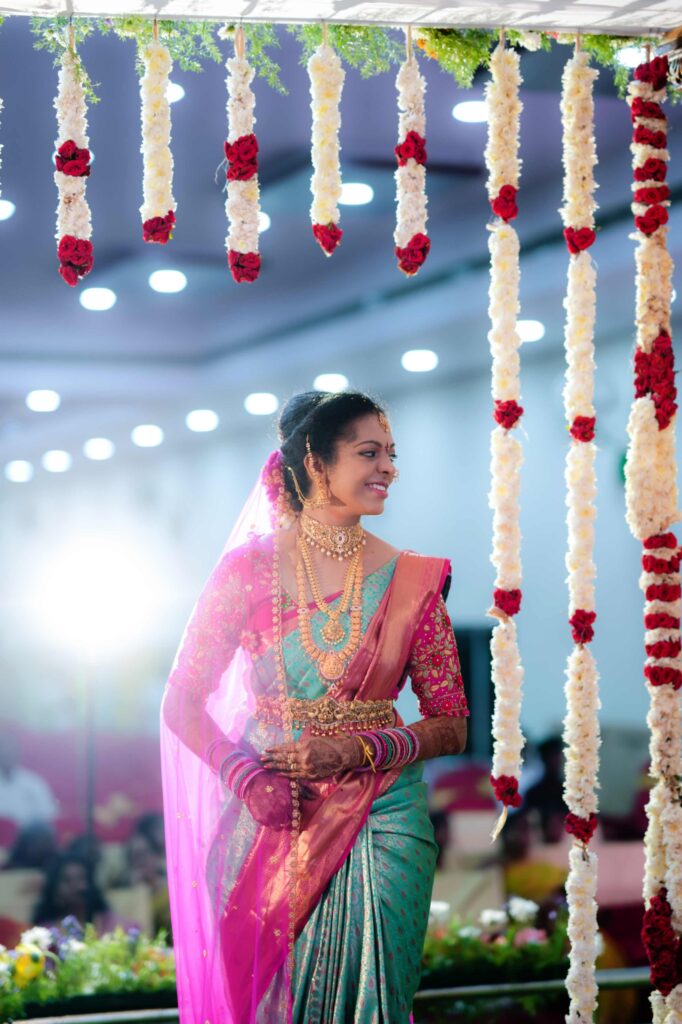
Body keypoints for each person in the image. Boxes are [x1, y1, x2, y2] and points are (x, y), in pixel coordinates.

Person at [161, 390, 469, 1023]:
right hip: (270, 813)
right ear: (315, 461)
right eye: (369, 453)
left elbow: (451, 723)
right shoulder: (244, 573)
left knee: (376, 998)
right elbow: (182, 701)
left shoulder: (413, 580)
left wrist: (356, 749)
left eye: (391, 454)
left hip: (384, 815)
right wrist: (244, 778)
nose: (388, 468)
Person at [0, 730, 59, 827]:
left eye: (10, 751)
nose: (7, 755)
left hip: (28, 835)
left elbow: (49, 813)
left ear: (17, 753)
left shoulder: (33, 783)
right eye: (3, 751)